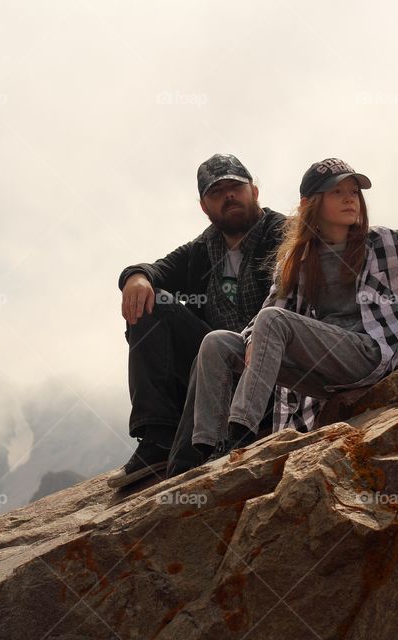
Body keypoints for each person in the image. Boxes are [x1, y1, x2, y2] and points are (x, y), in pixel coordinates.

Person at [184, 158, 398, 464]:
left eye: (353, 191)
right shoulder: (300, 258)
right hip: (321, 375)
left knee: (272, 322)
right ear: (312, 204)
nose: (350, 198)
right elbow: (271, 309)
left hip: (369, 355)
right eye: (337, 192)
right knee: (217, 342)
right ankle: (209, 449)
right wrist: (253, 338)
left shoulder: (384, 242)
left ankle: (240, 433)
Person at [108, 154, 286, 488]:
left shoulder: (284, 234)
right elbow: (156, 270)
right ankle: (159, 438)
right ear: (204, 206)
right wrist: (135, 277)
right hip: (213, 366)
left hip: (272, 363)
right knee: (152, 303)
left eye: (236, 187)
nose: (229, 196)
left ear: (255, 192)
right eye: (217, 193)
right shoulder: (203, 249)